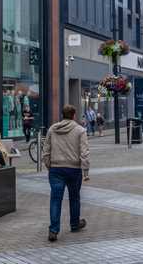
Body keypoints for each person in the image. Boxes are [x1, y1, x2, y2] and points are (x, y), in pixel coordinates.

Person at [41, 104, 89, 242]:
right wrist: (85, 171)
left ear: (62, 115)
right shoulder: (80, 130)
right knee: (74, 197)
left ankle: (53, 230)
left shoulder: (52, 129)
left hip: (56, 169)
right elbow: (84, 152)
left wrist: (49, 165)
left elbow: (46, 150)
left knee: (55, 199)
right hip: (74, 169)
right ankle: (74, 224)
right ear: (74, 115)